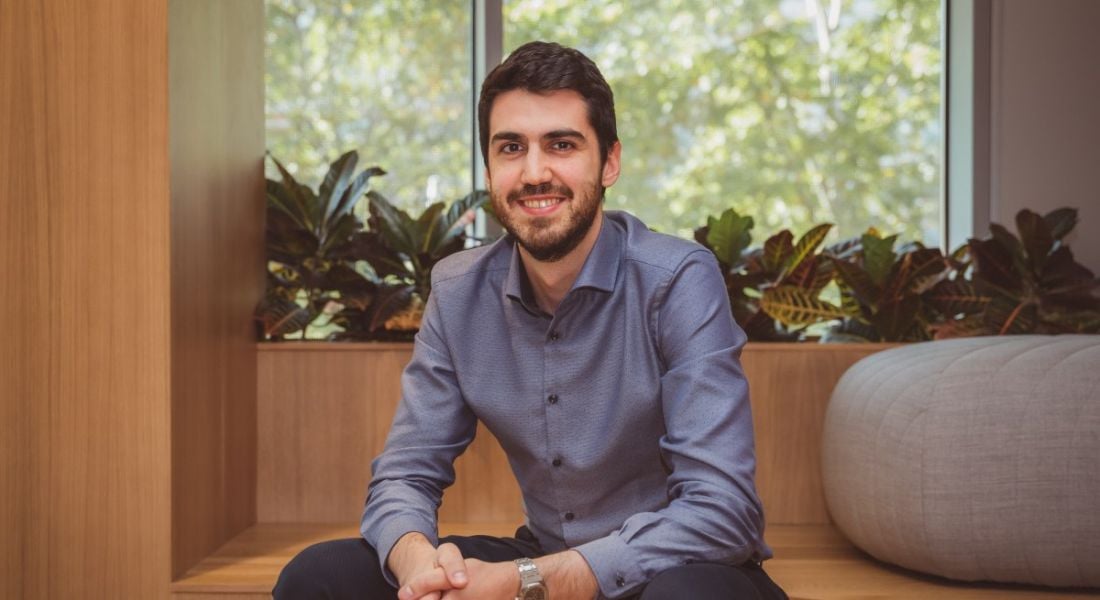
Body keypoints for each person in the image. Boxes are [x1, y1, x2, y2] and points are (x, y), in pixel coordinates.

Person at [274, 41, 787, 600]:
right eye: (511, 147)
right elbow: (404, 474)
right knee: (317, 577)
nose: (535, 172)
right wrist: (421, 563)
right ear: (490, 166)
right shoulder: (458, 290)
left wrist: (527, 583)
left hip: (678, 568)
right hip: (540, 559)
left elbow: (722, 511)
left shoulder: (678, 279)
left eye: (562, 145)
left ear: (609, 161)